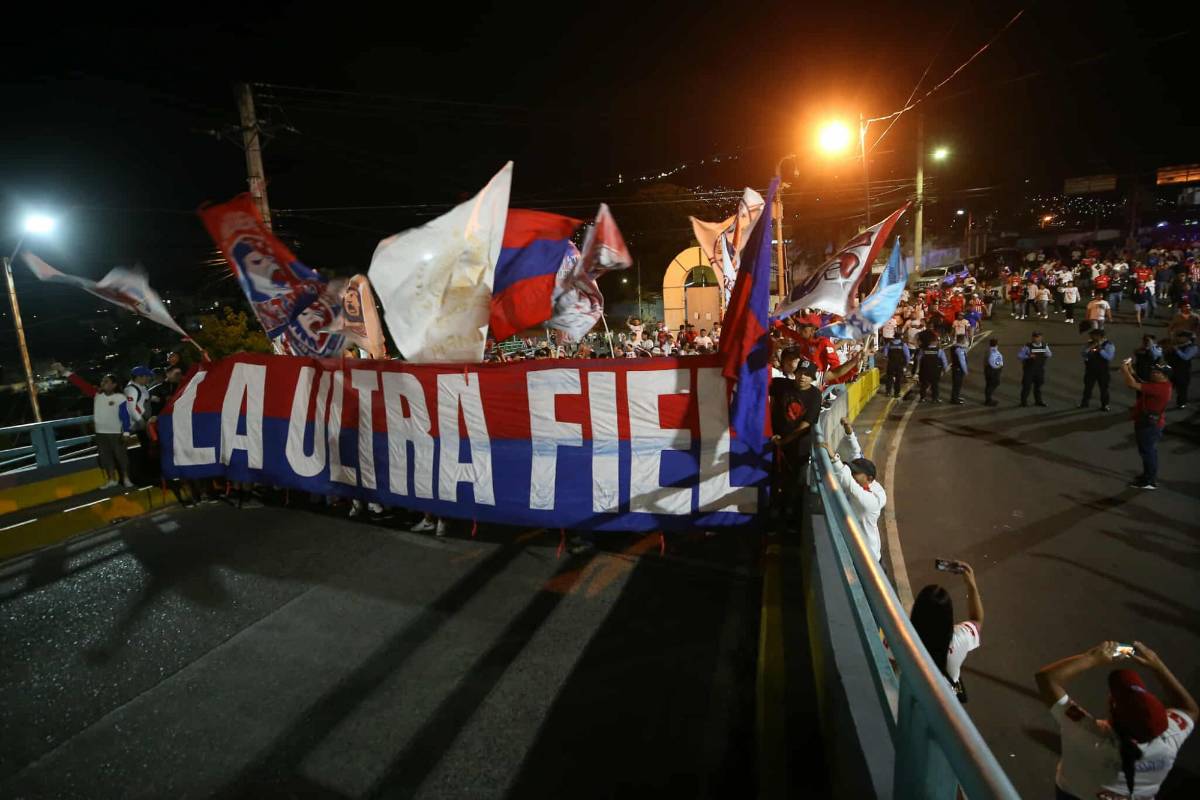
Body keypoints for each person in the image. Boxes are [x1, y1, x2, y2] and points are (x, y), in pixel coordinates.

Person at [1035, 641, 1197, 800]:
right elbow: (1189, 709)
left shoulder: (1087, 734)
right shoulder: (1169, 739)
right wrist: (1158, 666)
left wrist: (1092, 658)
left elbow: (1046, 679)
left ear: (1111, 712)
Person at [909, 561, 983, 702]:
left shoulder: (901, 638)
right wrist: (971, 584)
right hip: (946, 704)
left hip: (915, 700)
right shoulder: (960, 638)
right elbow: (977, 620)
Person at [821, 417, 886, 563]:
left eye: (856, 472)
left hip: (869, 559)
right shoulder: (866, 480)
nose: (853, 474)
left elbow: (849, 484)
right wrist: (849, 430)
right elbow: (856, 454)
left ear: (869, 478)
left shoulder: (872, 501)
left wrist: (834, 459)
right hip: (857, 550)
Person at [769, 351, 822, 521]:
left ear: (813, 378)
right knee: (775, 479)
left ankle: (792, 517)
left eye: (807, 375)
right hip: (776, 442)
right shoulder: (780, 384)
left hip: (798, 447)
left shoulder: (815, 395)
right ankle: (775, 512)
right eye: (800, 373)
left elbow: (806, 424)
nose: (802, 377)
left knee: (796, 483)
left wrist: (784, 441)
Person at [61, 368, 134, 488]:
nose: (103, 383)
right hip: (100, 433)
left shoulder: (120, 397)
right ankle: (111, 480)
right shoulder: (97, 394)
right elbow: (81, 383)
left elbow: (125, 416)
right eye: (102, 381)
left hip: (116, 432)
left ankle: (126, 478)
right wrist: (65, 372)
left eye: (106, 381)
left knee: (121, 457)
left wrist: (126, 432)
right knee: (106, 457)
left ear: (114, 385)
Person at [1121, 358, 1172, 489]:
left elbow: (1132, 385)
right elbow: (1143, 384)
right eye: (1153, 370)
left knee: (1147, 452)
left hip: (1149, 425)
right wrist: (1132, 371)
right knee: (1149, 451)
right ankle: (1148, 476)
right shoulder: (1161, 385)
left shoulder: (1159, 388)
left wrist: (1125, 370)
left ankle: (1149, 481)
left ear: (1164, 375)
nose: (1153, 373)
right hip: (1150, 422)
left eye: (1156, 372)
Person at [1079, 329, 1116, 411]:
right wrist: (1091, 347)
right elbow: (1083, 353)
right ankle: (1084, 403)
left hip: (1103, 371)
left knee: (1103, 389)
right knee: (1088, 387)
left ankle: (1105, 405)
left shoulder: (1109, 345)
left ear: (1100, 336)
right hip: (1090, 370)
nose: (1091, 337)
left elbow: (1109, 357)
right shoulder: (1089, 343)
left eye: (1093, 335)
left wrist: (1100, 350)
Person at [1017, 331, 1052, 407]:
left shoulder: (1044, 345)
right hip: (1029, 370)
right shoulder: (1027, 346)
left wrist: (1044, 355)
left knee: (1038, 387)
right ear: (1032, 338)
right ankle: (1023, 402)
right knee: (1026, 387)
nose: (1036, 339)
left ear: (1041, 338)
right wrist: (1028, 356)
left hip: (1039, 370)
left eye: (1038, 337)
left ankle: (1038, 401)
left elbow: (1049, 354)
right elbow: (1019, 356)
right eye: (1035, 337)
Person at [1164, 330, 1196, 409]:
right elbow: (1167, 356)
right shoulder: (1175, 345)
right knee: (1167, 386)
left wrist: (1176, 350)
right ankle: (1163, 400)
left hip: (1183, 371)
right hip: (1171, 369)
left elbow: (1186, 357)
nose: (1178, 339)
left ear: (1187, 339)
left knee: (1182, 388)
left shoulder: (1193, 347)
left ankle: (1181, 403)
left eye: (1181, 337)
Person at [916, 330, 947, 403]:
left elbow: (918, 359)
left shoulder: (923, 350)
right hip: (935, 370)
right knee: (935, 385)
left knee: (924, 384)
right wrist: (945, 369)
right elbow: (944, 360)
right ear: (935, 342)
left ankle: (922, 398)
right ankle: (935, 398)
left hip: (924, 370)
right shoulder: (939, 350)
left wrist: (917, 370)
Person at [983, 338, 1003, 406]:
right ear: (996, 344)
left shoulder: (988, 351)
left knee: (989, 384)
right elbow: (992, 362)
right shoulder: (993, 351)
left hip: (988, 369)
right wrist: (999, 365)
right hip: (992, 370)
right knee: (994, 383)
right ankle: (988, 399)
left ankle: (988, 399)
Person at [949, 334, 968, 404]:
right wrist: (965, 370)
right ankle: (954, 399)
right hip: (958, 369)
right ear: (962, 340)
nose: (965, 340)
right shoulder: (959, 349)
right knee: (957, 384)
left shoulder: (954, 347)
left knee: (956, 384)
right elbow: (962, 361)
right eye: (965, 339)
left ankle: (955, 396)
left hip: (955, 368)